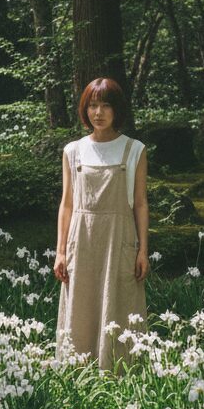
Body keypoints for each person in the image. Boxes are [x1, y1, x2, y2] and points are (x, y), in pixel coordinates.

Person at [54, 78, 149, 372]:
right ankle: (76, 373)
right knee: (80, 307)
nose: (99, 112)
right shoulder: (73, 151)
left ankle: (121, 371)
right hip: (81, 242)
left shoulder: (134, 150)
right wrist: (60, 251)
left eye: (106, 105)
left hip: (119, 240)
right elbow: (67, 203)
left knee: (119, 302)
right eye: (93, 105)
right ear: (85, 110)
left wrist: (143, 250)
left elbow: (141, 203)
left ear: (117, 110)